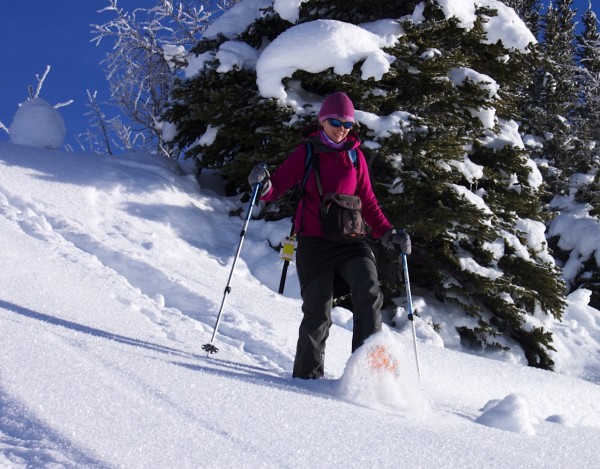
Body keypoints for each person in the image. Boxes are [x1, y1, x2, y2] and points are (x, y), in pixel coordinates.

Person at [248, 92, 411, 379]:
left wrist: (387, 233)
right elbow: (276, 187)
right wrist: (261, 185)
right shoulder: (307, 152)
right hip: (314, 243)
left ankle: (368, 374)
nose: (342, 128)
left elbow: (369, 201)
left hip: (352, 241)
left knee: (369, 292)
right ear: (323, 120)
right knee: (317, 312)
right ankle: (307, 380)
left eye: (347, 123)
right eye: (335, 121)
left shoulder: (355, 155)